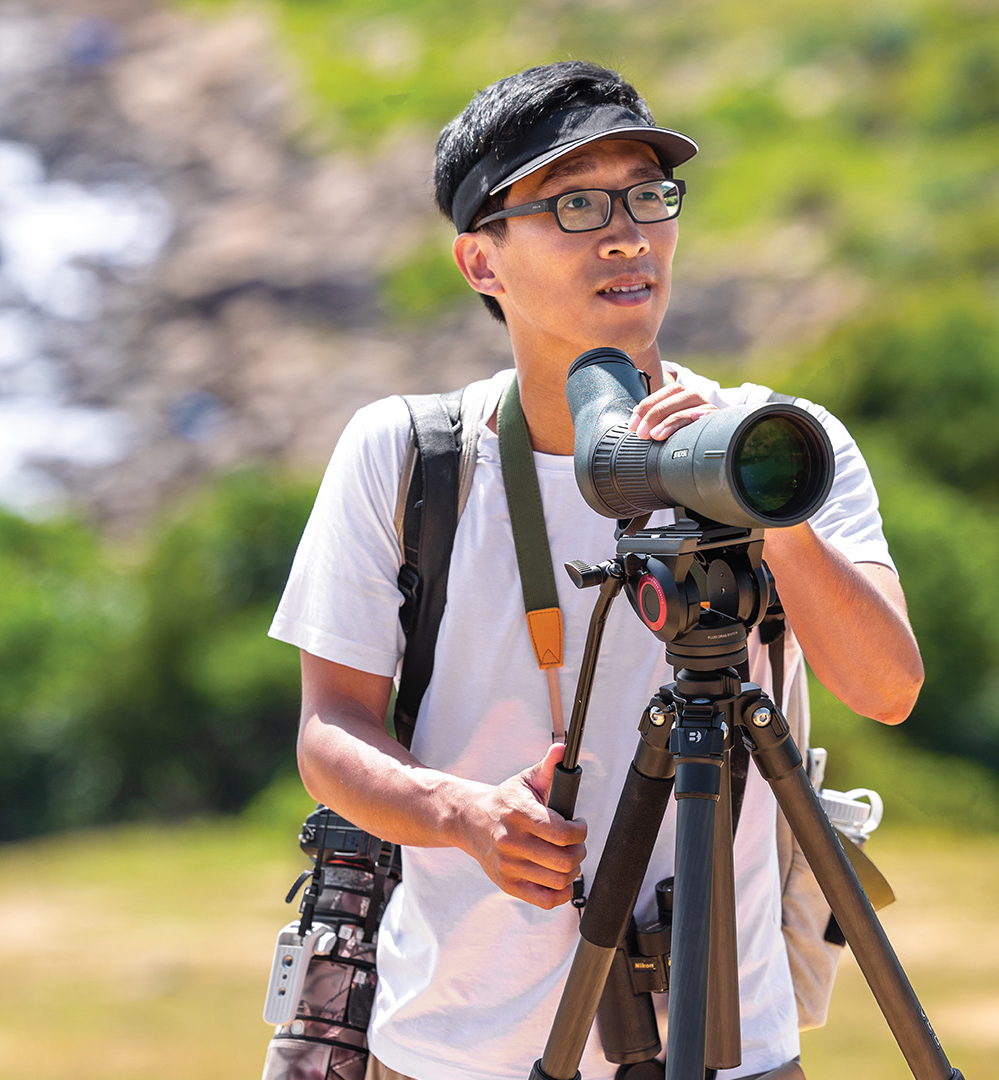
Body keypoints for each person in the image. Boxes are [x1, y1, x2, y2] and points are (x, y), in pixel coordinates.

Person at [268, 61, 924, 1080]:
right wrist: (463, 815)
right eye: (574, 204)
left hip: (731, 1043)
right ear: (480, 263)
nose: (627, 234)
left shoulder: (781, 444)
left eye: (649, 197)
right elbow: (327, 733)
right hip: (454, 1048)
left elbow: (887, 687)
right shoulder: (407, 456)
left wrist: (764, 505)